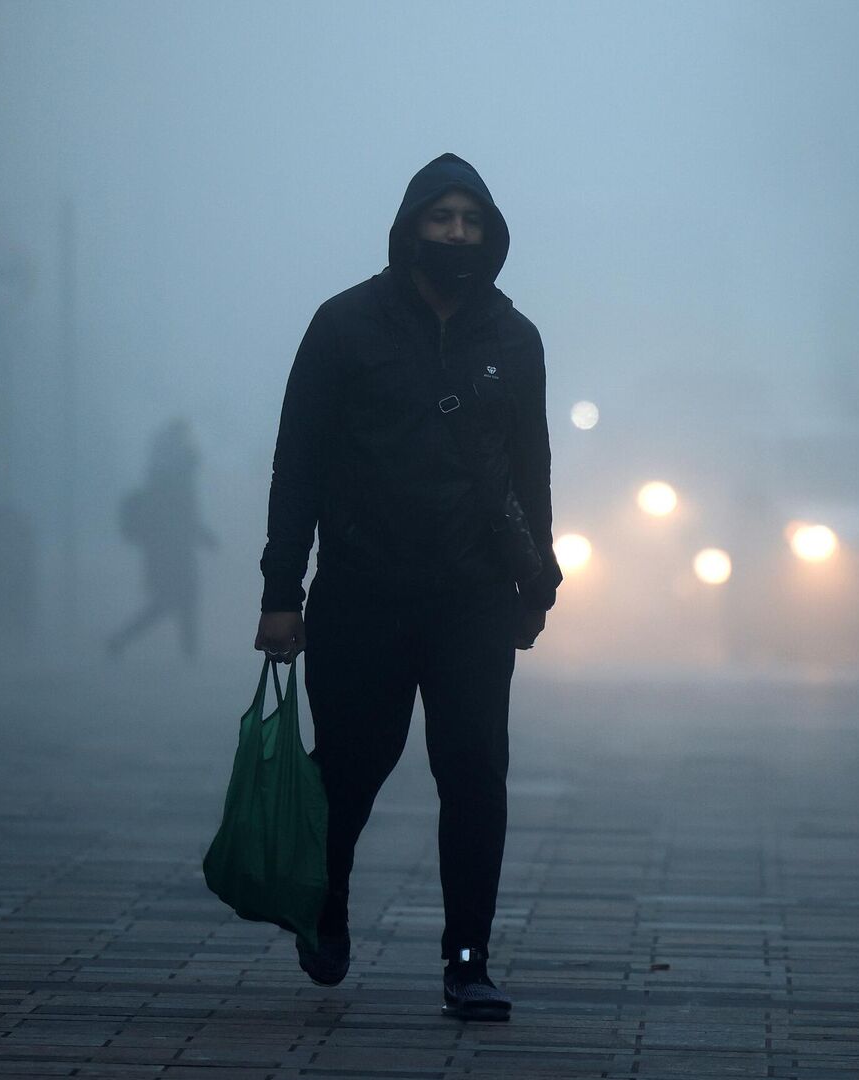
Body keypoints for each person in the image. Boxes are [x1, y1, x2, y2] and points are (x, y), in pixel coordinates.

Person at [254, 154, 562, 1021]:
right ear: (409, 226)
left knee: (475, 774)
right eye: (442, 218)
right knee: (350, 769)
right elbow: (298, 466)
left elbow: (530, 472)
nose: (456, 234)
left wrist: (538, 579)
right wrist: (284, 590)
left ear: (490, 232)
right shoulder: (345, 326)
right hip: (361, 590)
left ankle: (468, 959)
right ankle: (326, 904)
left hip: (470, 597)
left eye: (471, 220)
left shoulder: (513, 338)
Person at [107, 418, 217, 659]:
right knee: (175, 599)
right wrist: (202, 535)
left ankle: (188, 655)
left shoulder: (165, 476)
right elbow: (181, 516)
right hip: (171, 550)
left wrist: (201, 534)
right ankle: (122, 640)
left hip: (165, 549)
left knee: (177, 599)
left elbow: (182, 515)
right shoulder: (175, 479)